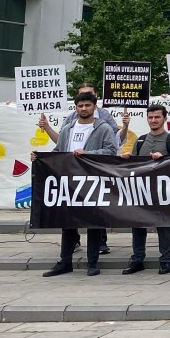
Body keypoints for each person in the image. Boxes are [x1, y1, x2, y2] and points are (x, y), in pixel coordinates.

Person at [39, 92, 119, 278]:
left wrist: (88, 153)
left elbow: (111, 151)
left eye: (87, 105)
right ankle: (65, 262)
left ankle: (92, 262)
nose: (84, 109)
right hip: (69, 182)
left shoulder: (104, 128)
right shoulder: (68, 128)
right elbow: (58, 151)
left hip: (93, 181)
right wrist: (41, 158)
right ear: (76, 108)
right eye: (80, 106)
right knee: (67, 223)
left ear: (94, 107)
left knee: (93, 222)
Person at [122, 104, 170, 275]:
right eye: (150, 117)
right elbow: (134, 166)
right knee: (137, 226)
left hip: (163, 192)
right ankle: (137, 259)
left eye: (157, 117)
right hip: (142, 190)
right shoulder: (140, 140)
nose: (153, 120)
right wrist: (127, 159)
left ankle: (165, 259)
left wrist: (164, 160)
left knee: (164, 226)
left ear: (164, 119)